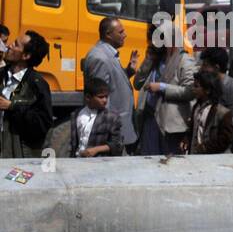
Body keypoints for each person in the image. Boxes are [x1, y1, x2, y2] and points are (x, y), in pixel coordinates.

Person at [133, 19, 195, 156]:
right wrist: (149, 59)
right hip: (150, 120)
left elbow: (190, 91)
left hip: (169, 127)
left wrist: (162, 87)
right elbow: (137, 84)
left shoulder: (185, 61)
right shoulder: (156, 59)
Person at [82, 16, 140, 152]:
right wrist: (108, 141)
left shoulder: (108, 54)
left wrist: (128, 72)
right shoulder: (100, 58)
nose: (125, 35)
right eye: (120, 32)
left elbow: (110, 85)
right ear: (108, 34)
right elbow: (99, 99)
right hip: (112, 135)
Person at [0, 30, 54, 158]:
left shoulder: (37, 84)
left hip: (17, 157)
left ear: (26, 56)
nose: (9, 46)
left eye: (16, 44)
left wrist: (12, 106)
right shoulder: (1, 74)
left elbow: (42, 124)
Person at [198, 47, 233, 153]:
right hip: (209, 144)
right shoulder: (206, 86)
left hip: (230, 147)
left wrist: (221, 120)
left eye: (205, 65)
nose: (202, 69)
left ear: (216, 67)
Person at [70, 77, 124, 157]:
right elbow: (73, 143)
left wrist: (96, 150)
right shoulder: (77, 114)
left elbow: (118, 145)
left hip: (99, 164)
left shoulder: (111, 118)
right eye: (101, 97)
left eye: (106, 97)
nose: (105, 100)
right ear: (88, 98)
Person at [185, 69, 233, 155]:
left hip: (213, 160)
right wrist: (186, 140)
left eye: (196, 86)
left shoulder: (222, 113)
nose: (193, 89)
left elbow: (226, 139)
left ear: (207, 90)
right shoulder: (196, 107)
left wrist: (205, 147)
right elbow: (193, 129)